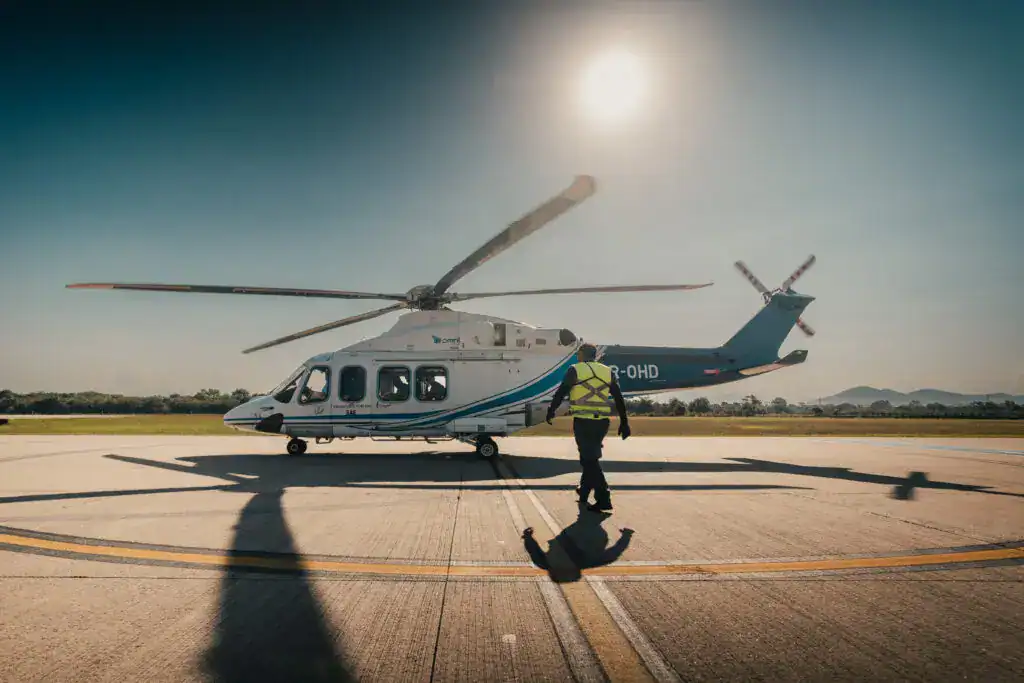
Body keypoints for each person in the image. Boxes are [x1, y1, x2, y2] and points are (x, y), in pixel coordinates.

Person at [545, 343, 630, 512]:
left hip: (583, 421)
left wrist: (551, 410)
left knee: (589, 460)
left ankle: (603, 497)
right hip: (602, 422)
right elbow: (619, 398)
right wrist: (624, 422)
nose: (577, 356)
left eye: (578, 353)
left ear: (583, 354)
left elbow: (561, 392)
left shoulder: (575, 370)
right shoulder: (607, 371)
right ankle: (584, 491)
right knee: (589, 457)